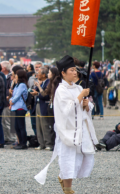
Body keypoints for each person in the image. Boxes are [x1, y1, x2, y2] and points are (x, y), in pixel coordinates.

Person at [35, 55, 97, 194]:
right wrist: (81, 96)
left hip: (80, 129)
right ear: (63, 73)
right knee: (68, 157)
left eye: (75, 70)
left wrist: (87, 105)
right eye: (71, 70)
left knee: (78, 158)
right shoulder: (61, 89)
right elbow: (66, 109)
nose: (75, 73)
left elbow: (84, 108)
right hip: (67, 130)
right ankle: (68, 188)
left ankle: (65, 180)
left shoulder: (78, 87)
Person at [33, 68, 54, 151]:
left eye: (39, 73)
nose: (37, 74)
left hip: (44, 105)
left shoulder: (48, 82)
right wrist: (37, 87)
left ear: (43, 75)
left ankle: (48, 143)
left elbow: (45, 95)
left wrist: (37, 92)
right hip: (38, 104)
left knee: (45, 125)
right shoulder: (42, 82)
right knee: (39, 125)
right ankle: (41, 143)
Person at [9, 69, 28, 150]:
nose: (15, 76)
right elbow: (14, 94)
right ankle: (20, 142)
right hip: (16, 107)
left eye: (16, 74)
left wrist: (12, 101)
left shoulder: (22, 85)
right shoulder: (17, 85)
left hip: (20, 107)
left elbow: (17, 96)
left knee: (21, 126)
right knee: (17, 126)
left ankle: (23, 143)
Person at [0, 61, 16, 143]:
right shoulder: (2, 76)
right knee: (4, 121)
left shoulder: (10, 77)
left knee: (9, 121)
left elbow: (10, 90)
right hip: (3, 102)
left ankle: (12, 138)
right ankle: (6, 137)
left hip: (9, 102)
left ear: (4, 68)